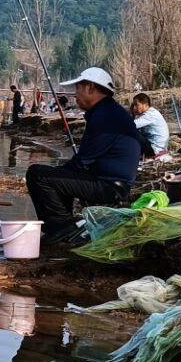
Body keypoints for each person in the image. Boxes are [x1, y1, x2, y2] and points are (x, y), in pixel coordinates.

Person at [26, 67, 140, 246]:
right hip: (108, 181)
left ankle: (64, 230)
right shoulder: (110, 111)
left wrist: (55, 175)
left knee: (37, 175)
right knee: (57, 176)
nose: (75, 95)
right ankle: (63, 227)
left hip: (110, 187)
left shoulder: (105, 116)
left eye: (77, 89)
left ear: (90, 88)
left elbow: (81, 163)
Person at [130, 91, 170, 157]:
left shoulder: (150, 115)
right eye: (133, 105)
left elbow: (131, 125)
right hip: (157, 148)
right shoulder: (151, 112)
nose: (134, 108)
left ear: (145, 104)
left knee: (132, 132)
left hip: (155, 150)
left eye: (137, 105)